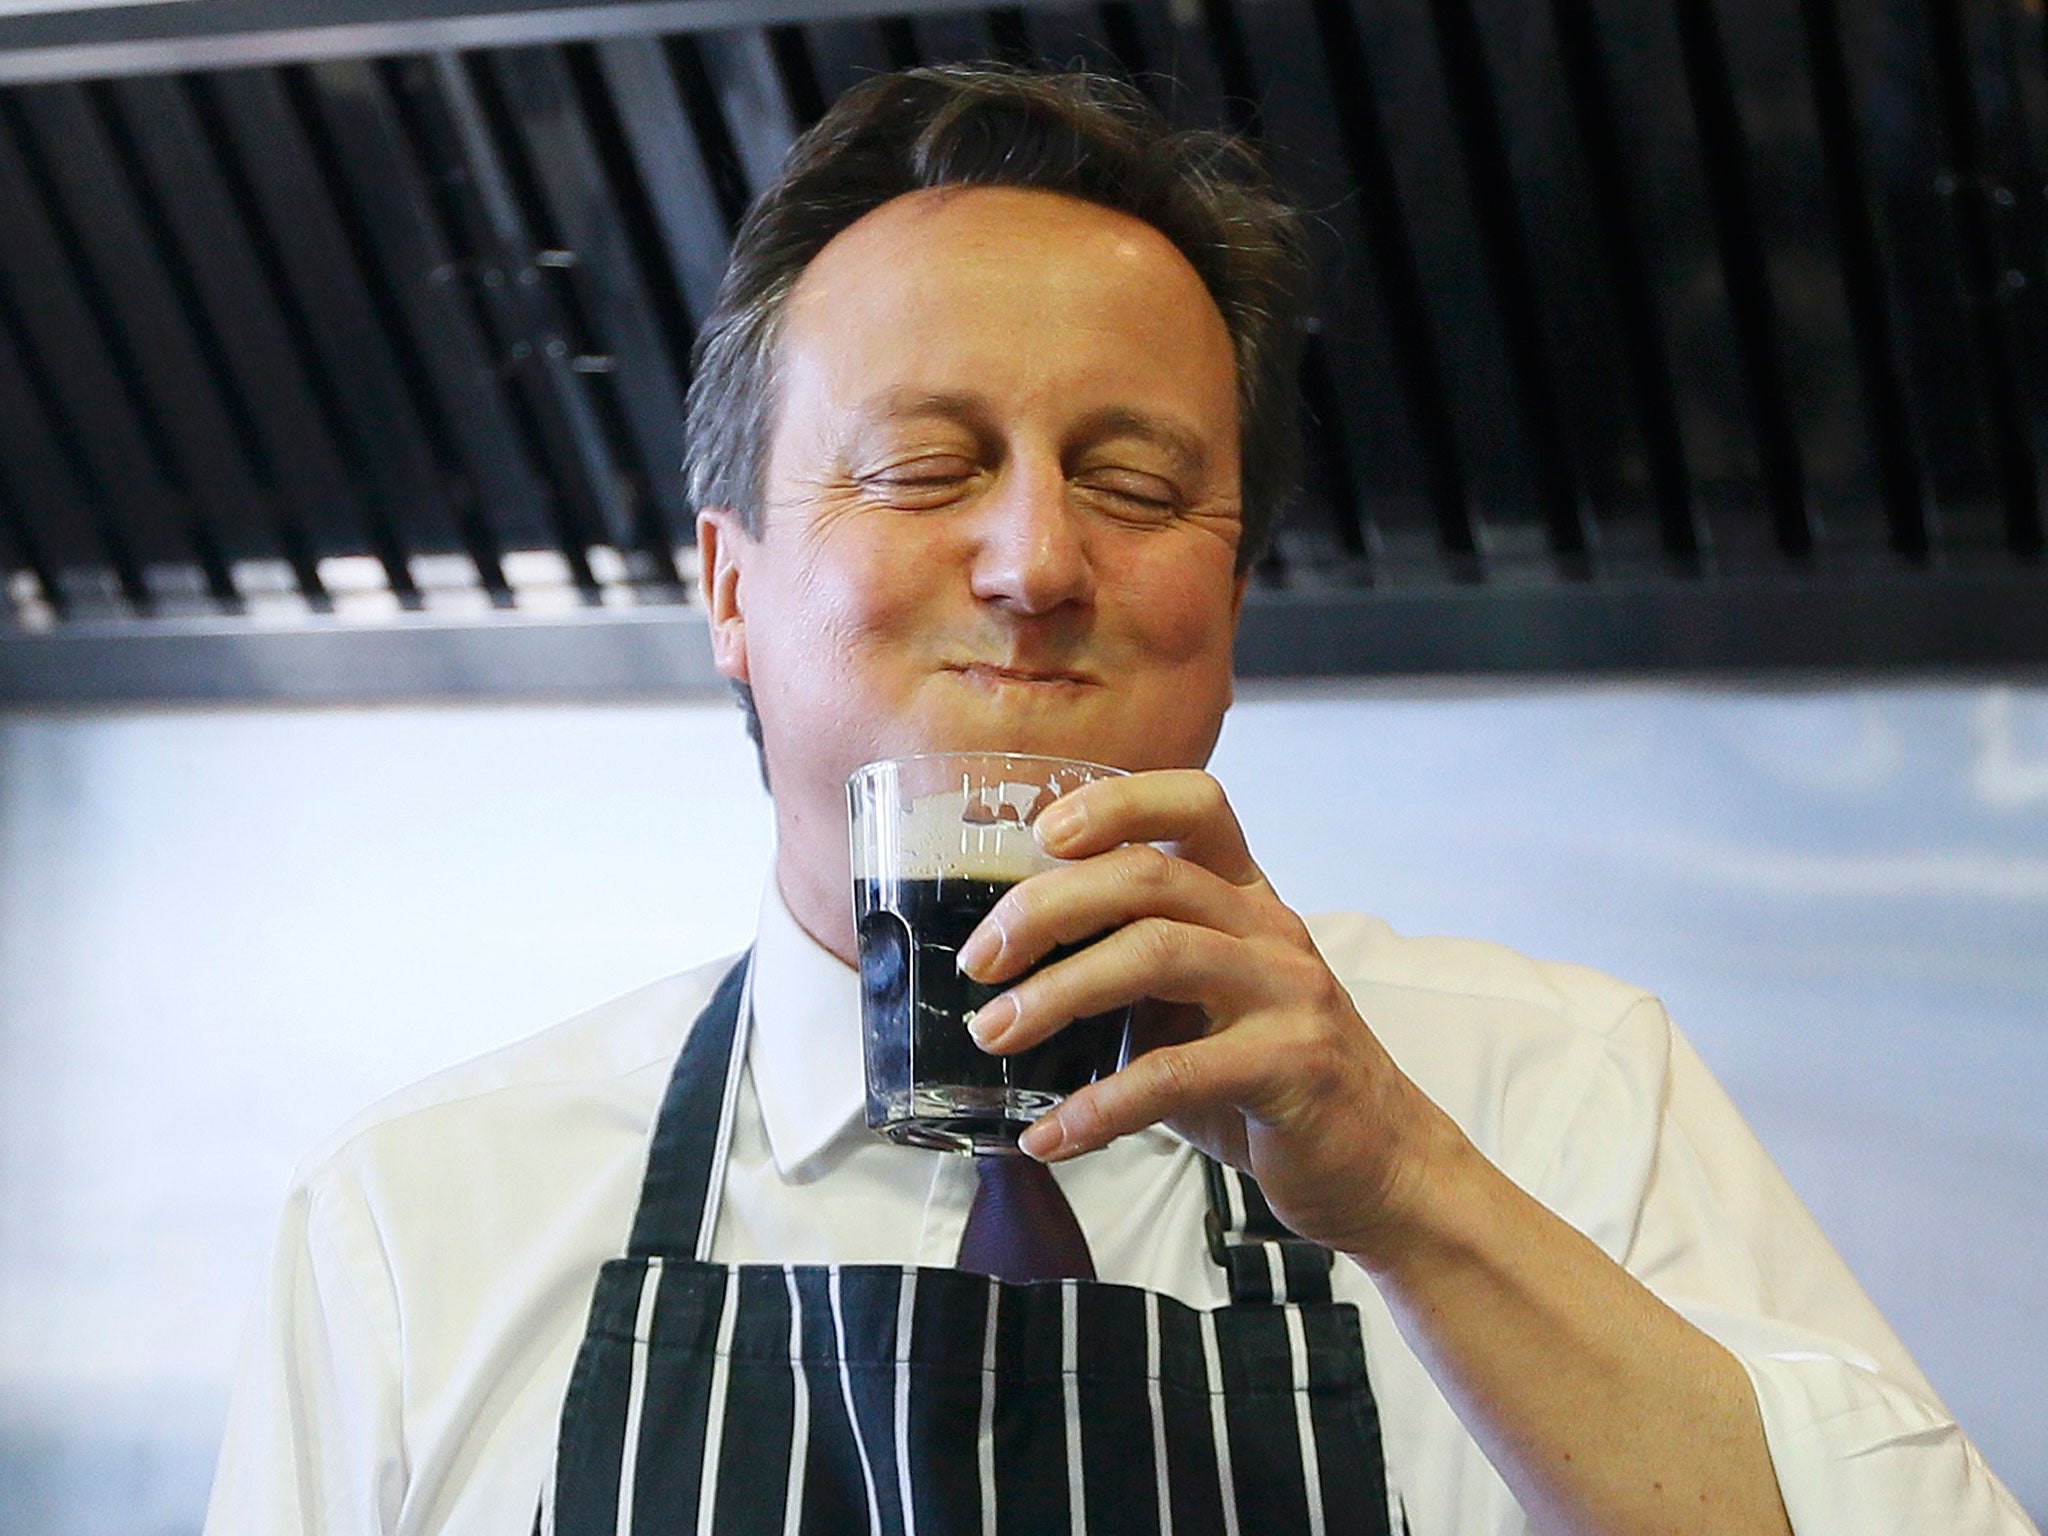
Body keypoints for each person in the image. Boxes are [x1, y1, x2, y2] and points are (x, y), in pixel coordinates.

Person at [204, 65, 2036, 1536]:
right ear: (732, 588)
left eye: (1137, 483)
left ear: (1229, 603)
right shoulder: (413, 1222)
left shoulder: (1561, 1100)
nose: (1034, 557)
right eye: (927, 465)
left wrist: (1398, 1180)